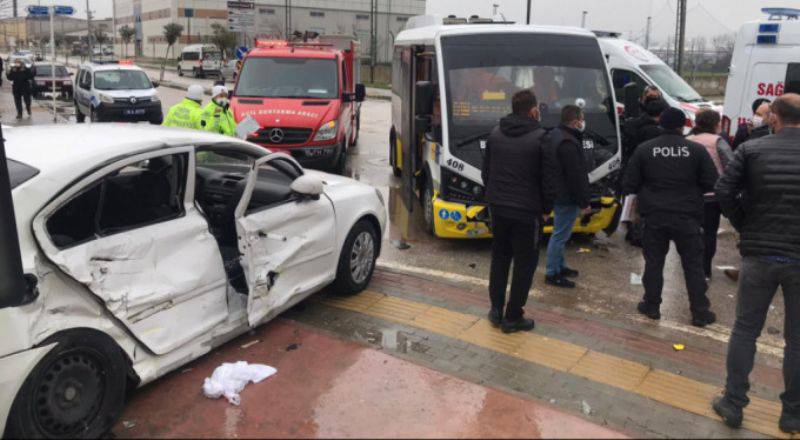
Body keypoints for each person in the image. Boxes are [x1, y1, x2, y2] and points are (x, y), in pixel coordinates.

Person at [711, 94, 800, 434]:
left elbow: (723, 191)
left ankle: (733, 403)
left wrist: (744, 223)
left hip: (760, 254)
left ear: (774, 117)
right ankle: (792, 414)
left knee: (745, 330)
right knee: (797, 340)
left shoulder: (752, 150)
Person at [623, 107, 719, 327]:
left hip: (655, 215)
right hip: (687, 216)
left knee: (654, 262)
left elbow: (630, 183)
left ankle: (651, 305)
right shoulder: (695, 150)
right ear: (682, 126)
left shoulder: (644, 149)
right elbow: (711, 183)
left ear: (660, 124)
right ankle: (700, 312)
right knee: (693, 265)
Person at [482, 89, 550, 334]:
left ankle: (496, 310)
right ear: (533, 110)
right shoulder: (541, 137)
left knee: (499, 258)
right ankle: (513, 316)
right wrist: (546, 209)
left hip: (498, 208)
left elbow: (486, 172)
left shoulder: (496, 133)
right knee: (525, 264)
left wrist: (494, 197)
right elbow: (547, 179)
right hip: (527, 212)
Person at [543, 105, 590, 289]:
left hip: (557, 190)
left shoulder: (555, 134)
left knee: (561, 232)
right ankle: (552, 273)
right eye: (582, 118)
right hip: (566, 195)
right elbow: (575, 176)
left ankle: (560, 266)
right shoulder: (568, 143)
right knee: (560, 235)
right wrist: (584, 202)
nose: (583, 122)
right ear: (575, 121)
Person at [686, 109, 734, 280]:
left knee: (690, 232)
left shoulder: (687, 140)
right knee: (709, 233)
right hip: (712, 196)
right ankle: (704, 269)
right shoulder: (718, 141)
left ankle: (689, 266)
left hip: (689, 196)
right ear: (715, 124)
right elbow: (731, 166)